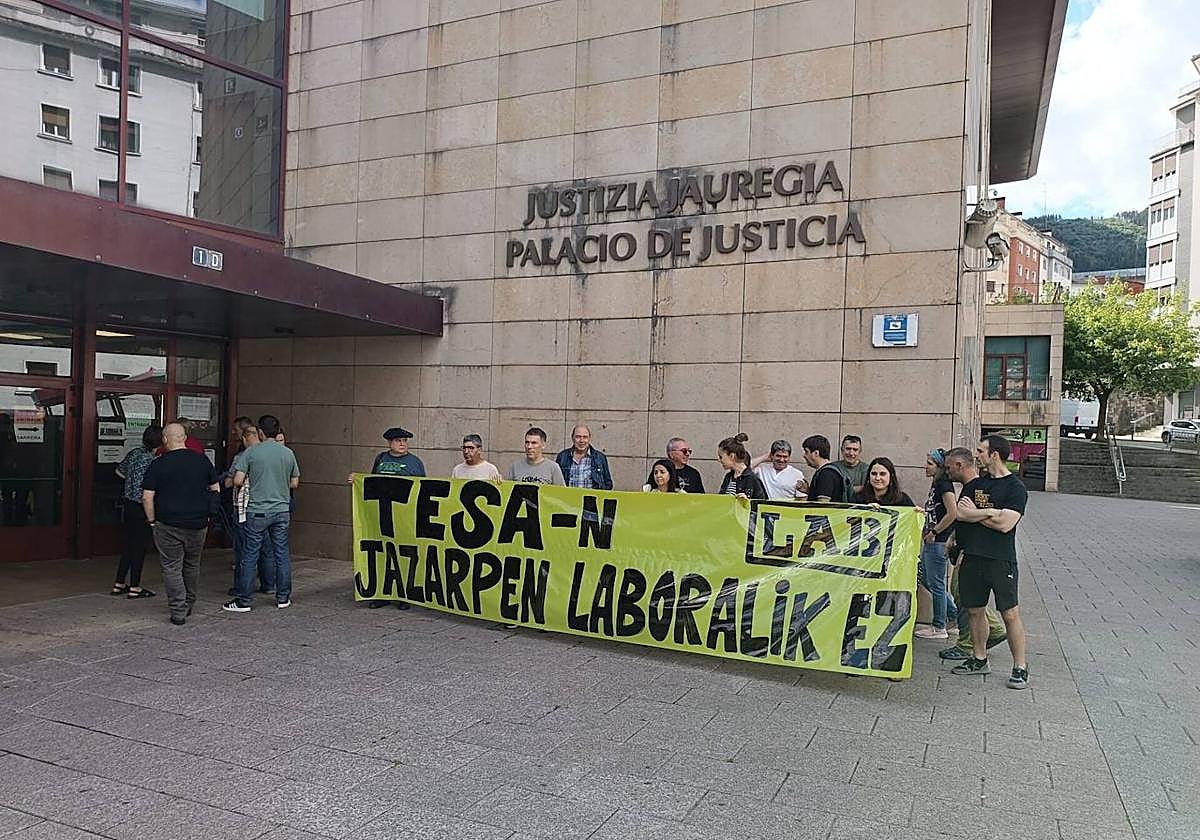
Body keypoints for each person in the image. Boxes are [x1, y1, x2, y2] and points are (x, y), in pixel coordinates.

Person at [949, 435, 1030, 689]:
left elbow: (1005, 524)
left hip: (1000, 559)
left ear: (994, 454)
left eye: (981, 451)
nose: (977, 455)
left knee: (1009, 613)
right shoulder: (975, 485)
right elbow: (961, 513)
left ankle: (1020, 667)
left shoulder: (1016, 488)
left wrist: (976, 513)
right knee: (974, 610)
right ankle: (979, 658)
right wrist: (990, 512)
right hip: (972, 557)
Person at [141, 422, 220, 626]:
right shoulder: (202, 460)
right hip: (198, 523)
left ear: (165, 440)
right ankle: (189, 602)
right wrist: (209, 514)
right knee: (192, 564)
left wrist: (152, 521)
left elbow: (147, 497)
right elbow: (215, 488)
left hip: (167, 524)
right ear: (184, 438)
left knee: (171, 566)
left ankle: (178, 610)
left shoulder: (158, 464)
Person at [223, 414, 300, 613]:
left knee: (250, 554)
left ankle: (244, 600)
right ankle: (283, 597)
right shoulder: (287, 453)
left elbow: (237, 480)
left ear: (260, 432)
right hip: (281, 510)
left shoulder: (251, 452)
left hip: (257, 511)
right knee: (281, 553)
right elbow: (294, 482)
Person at [940, 447, 1008, 661]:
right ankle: (992, 630)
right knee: (965, 596)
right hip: (966, 549)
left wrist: (965, 548)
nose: (947, 472)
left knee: (964, 597)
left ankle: (967, 644)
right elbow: (964, 518)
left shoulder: (977, 488)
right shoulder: (972, 487)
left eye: (949, 467)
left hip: (972, 553)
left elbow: (975, 518)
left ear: (959, 465)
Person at [111, 423, 163, 599]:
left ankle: (119, 583)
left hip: (129, 503)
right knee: (139, 547)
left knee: (128, 544)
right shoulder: (154, 461)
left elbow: (119, 472)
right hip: (143, 506)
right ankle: (135, 586)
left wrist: (131, 481)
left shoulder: (134, 453)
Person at [915, 448, 958, 640]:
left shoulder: (944, 486)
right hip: (931, 539)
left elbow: (952, 512)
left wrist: (935, 531)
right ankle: (953, 615)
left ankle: (939, 625)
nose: (926, 466)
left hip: (938, 541)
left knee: (936, 583)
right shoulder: (936, 485)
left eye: (930, 463)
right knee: (927, 579)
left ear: (940, 467)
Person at [226, 424, 274, 597]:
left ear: (245, 438)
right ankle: (269, 584)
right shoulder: (274, 454)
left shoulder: (244, 456)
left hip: (245, 508)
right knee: (267, 549)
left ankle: (243, 588)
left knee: (244, 550)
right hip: (270, 507)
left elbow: (233, 481)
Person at [555, 424, 614, 490]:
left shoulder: (600, 458)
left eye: (585, 437)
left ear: (589, 438)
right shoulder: (562, 456)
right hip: (567, 496)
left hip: (591, 496)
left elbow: (608, 484)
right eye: (578, 437)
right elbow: (556, 482)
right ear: (572, 438)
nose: (581, 440)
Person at [800, 435, 851, 503]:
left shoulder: (826, 474)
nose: (804, 455)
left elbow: (822, 504)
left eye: (806, 451)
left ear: (816, 453)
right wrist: (808, 491)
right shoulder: (828, 471)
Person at [716, 433, 768, 500]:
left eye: (721, 457)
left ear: (732, 456)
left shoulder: (752, 479)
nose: (719, 460)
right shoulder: (728, 477)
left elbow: (762, 502)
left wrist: (747, 501)